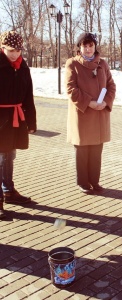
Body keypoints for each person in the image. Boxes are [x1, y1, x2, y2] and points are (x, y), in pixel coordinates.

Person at [65, 32, 116, 194]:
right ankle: (83, 182)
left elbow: (111, 85)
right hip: (83, 114)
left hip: (100, 114)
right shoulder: (72, 64)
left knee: (96, 151)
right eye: (84, 46)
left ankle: (94, 181)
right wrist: (90, 102)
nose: (88, 49)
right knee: (83, 151)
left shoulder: (103, 64)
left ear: (95, 47)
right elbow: (71, 89)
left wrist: (106, 102)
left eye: (91, 46)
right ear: (79, 48)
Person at [0, 31, 37, 219]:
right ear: (3, 47)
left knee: (9, 156)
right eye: (11, 50)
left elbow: (29, 96)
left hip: (15, 119)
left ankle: (8, 191)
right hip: (0, 120)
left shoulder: (23, 67)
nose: (15, 54)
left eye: (18, 50)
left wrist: (31, 121)